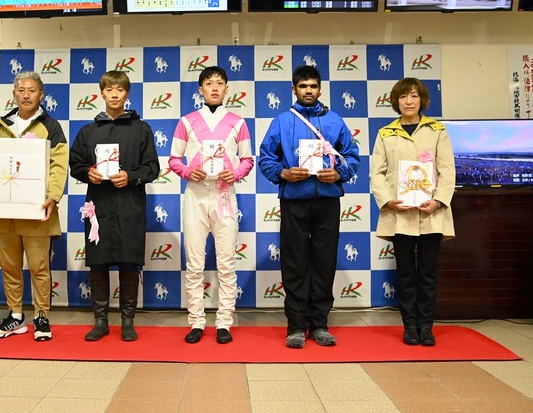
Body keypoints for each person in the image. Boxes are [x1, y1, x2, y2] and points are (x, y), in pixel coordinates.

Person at [258, 65, 360, 349]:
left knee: (324, 262)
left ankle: (319, 325)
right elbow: (266, 157)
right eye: (303, 86)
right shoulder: (282, 121)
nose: (308, 91)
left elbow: (352, 156)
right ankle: (295, 326)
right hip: (294, 201)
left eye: (313, 86)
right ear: (294, 89)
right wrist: (283, 173)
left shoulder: (335, 120)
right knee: (295, 263)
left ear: (320, 89)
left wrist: (339, 173)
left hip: (327, 200)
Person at [0, 71, 68, 342]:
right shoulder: (1, 126)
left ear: (41, 94)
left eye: (32, 90)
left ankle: (41, 317)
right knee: (10, 266)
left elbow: (59, 164)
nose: (26, 95)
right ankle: (15, 316)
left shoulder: (51, 126)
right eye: (21, 90)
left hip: (35, 210)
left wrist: (53, 196)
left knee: (39, 267)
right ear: (14, 94)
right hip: (4, 211)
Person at [69, 70, 159, 342]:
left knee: (129, 262)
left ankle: (128, 322)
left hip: (130, 204)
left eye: (120, 89)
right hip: (98, 205)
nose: (115, 94)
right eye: (110, 90)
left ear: (127, 93)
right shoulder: (88, 131)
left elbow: (152, 167)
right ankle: (101, 321)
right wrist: (88, 173)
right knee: (98, 263)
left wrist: (130, 176)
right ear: (102, 93)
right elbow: (76, 164)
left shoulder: (141, 128)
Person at [168, 66, 254, 344]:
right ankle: (196, 321)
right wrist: (187, 171)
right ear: (200, 89)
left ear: (227, 89)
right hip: (195, 194)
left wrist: (236, 174)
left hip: (224, 194)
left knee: (226, 263)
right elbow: (174, 159)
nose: (214, 88)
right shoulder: (187, 121)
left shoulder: (238, 122)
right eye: (209, 83)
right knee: (194, 263)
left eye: (219, 83)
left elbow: (247, 159)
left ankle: (224, 322)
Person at [370, 77, 455, 347]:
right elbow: (377, 173)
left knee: (427, 273)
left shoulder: (437, 130)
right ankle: (409, 326)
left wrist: (438, 201)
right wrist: (389, 200)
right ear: (396, 101)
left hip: (431, 212)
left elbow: (448, 169)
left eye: (414, 96)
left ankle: (426, 327)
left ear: (422, 100)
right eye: (403, 96)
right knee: (405, 274)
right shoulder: (386, 133)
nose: (409, 101)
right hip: (400, 213)